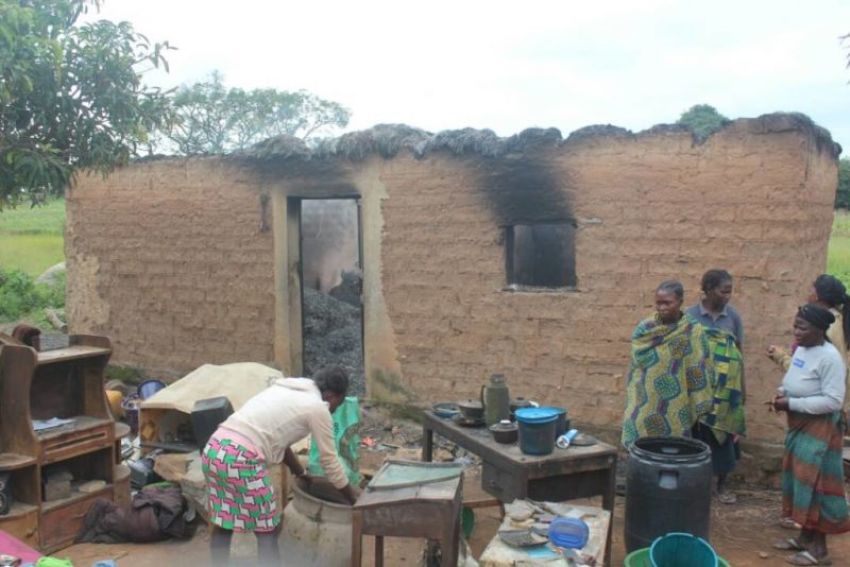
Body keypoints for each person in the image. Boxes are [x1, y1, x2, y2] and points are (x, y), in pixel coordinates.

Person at [201, 366, 359, 566]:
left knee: (224, 521)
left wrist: (299, 472)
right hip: (242, 459)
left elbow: (279, 441)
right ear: (334, 397)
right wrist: (352, 498)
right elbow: (330, 461)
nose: (335, 409)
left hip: (215, 448)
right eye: (339, 403)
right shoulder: (318, 408)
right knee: (267, 529)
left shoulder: (286, 389)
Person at [770, 305, 850, 566]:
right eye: (795, 326)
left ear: (819, 330)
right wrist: (783, 392)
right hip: (800, 426)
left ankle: (820, 550)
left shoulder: (830, 358)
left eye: (802, 328)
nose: (796, 332)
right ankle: (805, 537)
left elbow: (833, 401)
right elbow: (795, 377)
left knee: (818, 486)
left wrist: (791, 404)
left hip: (821, 430)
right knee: (800, 481)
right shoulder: (804, 349)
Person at [622, 280, 714, 446]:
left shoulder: (693, 330)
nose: (662, 307)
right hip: (645, 398)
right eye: (658, 303)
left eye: (667, 303)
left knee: (672, 447)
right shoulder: (645, 329)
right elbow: (638, 362)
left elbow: (701, 364)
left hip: (678, 401)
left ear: (680, 302)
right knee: (641, 443)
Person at [686, 269, 747, 504]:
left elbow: (738, 354)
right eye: (724, 290)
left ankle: (722, 486)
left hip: (726, 391)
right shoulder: (690, 317)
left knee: (725, 437)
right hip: (699, 389)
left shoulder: (733, 318)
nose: (728, 296)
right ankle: (698, 485)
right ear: (709, 289)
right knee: (698, 435)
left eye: (730, 290)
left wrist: (742, 388)